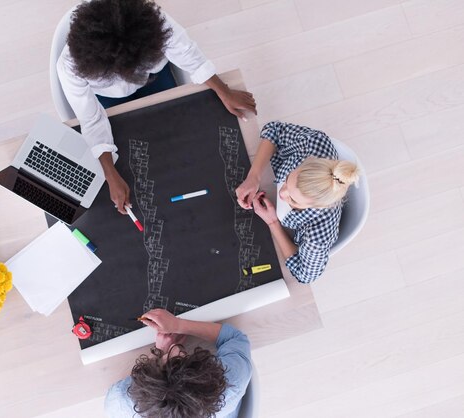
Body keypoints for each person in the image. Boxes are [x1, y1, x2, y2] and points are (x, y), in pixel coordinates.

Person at [57, 0, 257, 215]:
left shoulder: (155, 24)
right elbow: (91, 119)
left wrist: (223, 91)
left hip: (154, 79)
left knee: (174, 134)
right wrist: (110, 174)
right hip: (107, 99)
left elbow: (188, 55)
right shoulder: (70, 66)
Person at [235, 121, 360, 283]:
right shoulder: (315, 143)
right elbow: (274, 130)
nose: (282, 193)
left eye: (293, 200)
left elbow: (305, 275)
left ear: (318, 207)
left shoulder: (318, 236)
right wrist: (254, 176)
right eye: (288, 180)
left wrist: (273, 223)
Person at [104, 309, 253, 418]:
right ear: (206, 371)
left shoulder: (120, 402)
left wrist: (160, 350)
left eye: (166, 361)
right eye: (181, 356)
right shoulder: (232, 381)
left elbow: (126, 386)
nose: (175, 349)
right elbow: (234, 339)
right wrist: (178, 325)